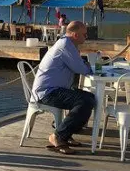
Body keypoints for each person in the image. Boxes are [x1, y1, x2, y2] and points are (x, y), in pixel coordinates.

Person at [31, 21, 95, 154]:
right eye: (84, 34)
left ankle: (66, 134)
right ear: (76, 35)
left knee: (89, 98)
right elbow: (81, 68)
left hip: (55, 89)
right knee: (84, 101)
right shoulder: (66, 45)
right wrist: (89, 66)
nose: (86, 37)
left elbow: (79, 65)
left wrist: (86, 65)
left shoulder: (68, 44)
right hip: (47, 92)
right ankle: (58, 136)